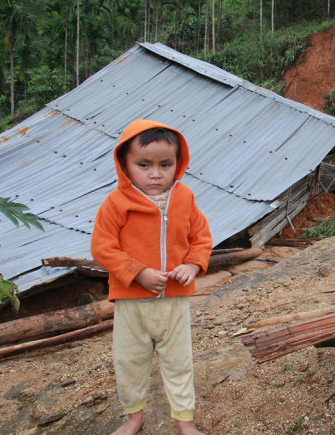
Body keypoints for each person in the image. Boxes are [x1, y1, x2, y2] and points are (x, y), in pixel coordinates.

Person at [91, 119, 212, 435]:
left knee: (179, 362)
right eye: (143, 164)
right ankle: (133, 417)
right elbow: (102, 248)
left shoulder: (184, 197)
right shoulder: (116, 202)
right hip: (132, 303)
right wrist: (138, 273)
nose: (155, 173)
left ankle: (185, 421)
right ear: (125, 165)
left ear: (177, 163)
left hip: (174, 302)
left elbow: (201, 237)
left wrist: (192, 266)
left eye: (165, 164)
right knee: (129, 363)